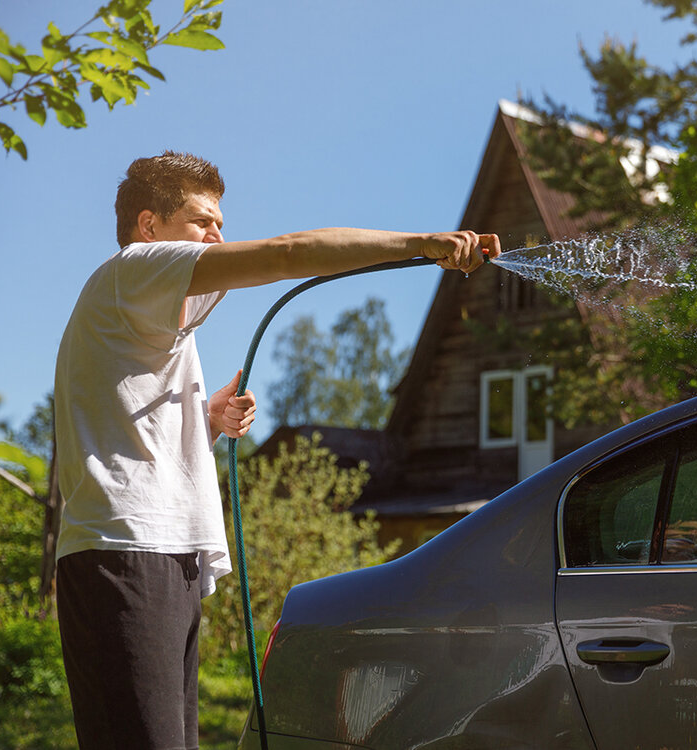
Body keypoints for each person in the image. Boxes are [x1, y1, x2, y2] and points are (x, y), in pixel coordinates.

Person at [53, 150, 500, 749]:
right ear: (149, 226)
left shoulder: (151, 319)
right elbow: (290, 252)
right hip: (125, 549)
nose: (217, 234)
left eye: (220, 222)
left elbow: (124, 428)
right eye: (200, 219)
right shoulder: (134, 269)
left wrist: (203, 423)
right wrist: (419, 243)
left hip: (161, 554)